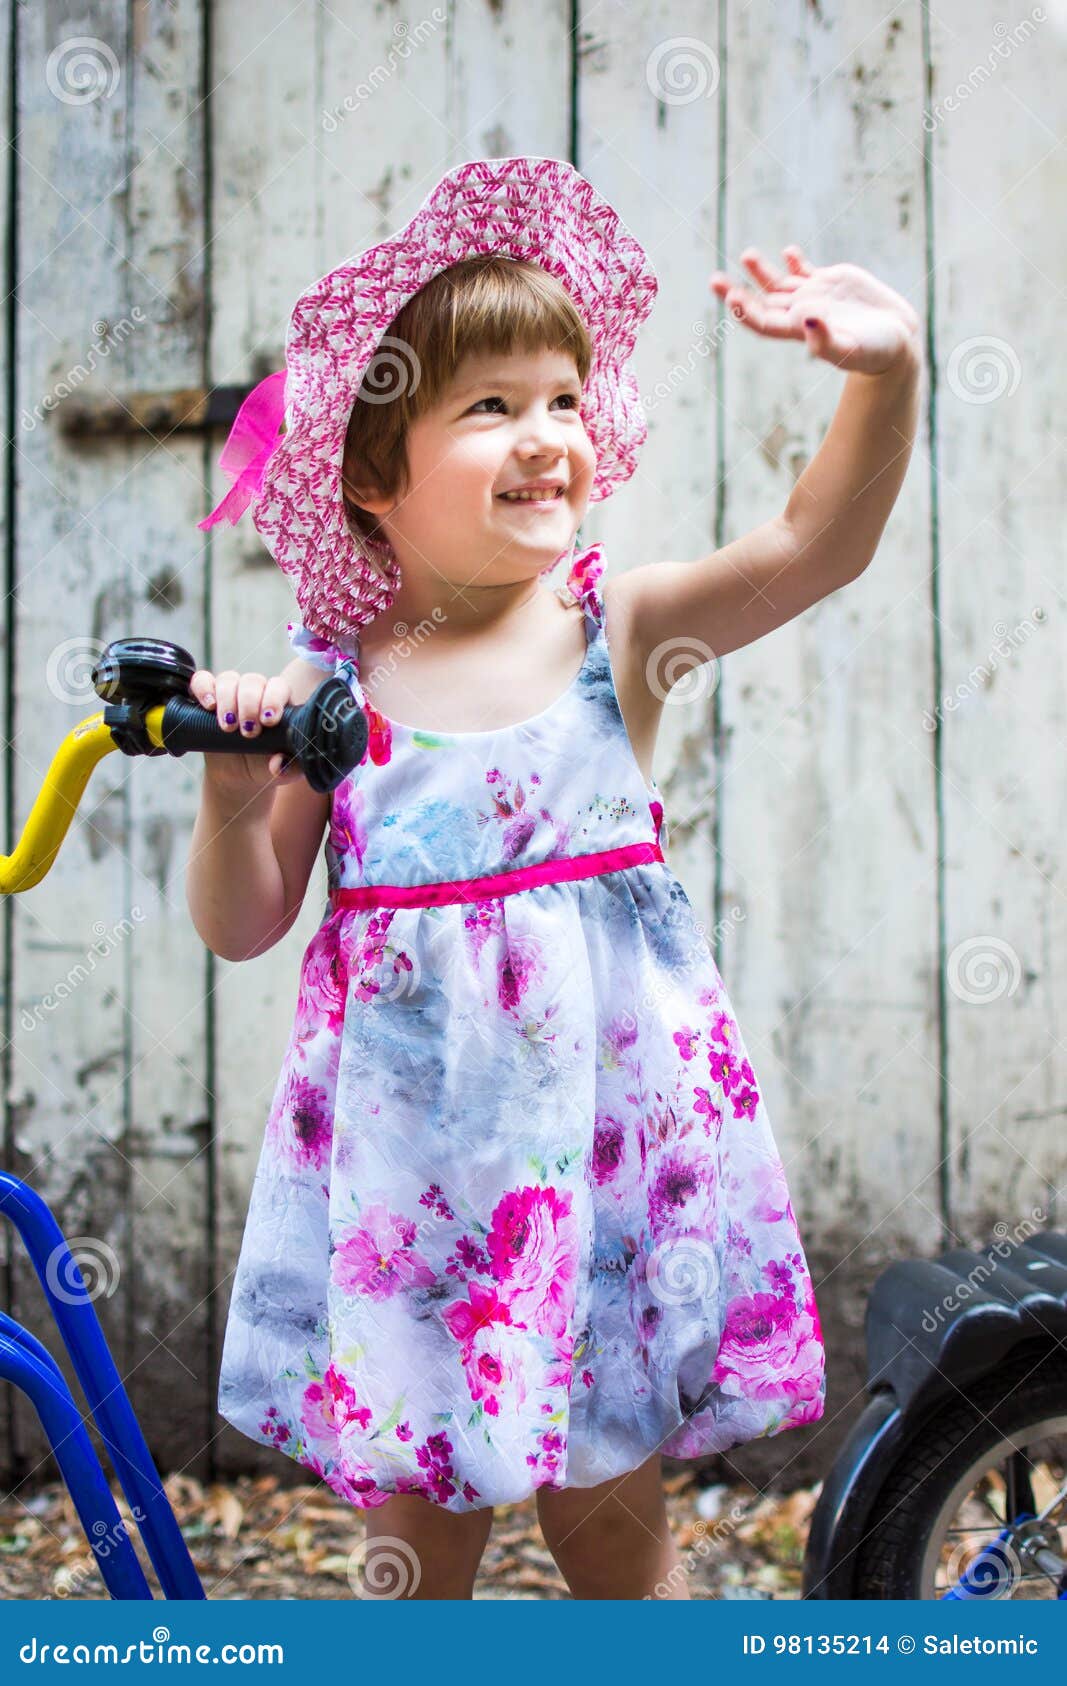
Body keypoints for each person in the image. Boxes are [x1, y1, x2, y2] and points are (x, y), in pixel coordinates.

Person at [185, 156, 922, 1601]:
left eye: (565, 401)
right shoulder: (334, 681)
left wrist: (883, 376)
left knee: (614, 1529)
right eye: (490, 408)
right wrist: (229, 800)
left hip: (600, 1189)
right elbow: (247, 920)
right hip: (417, 1204)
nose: (547, 436)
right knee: (420, 1547)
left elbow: (812, 546)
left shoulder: (617, 631)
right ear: (371, 480)